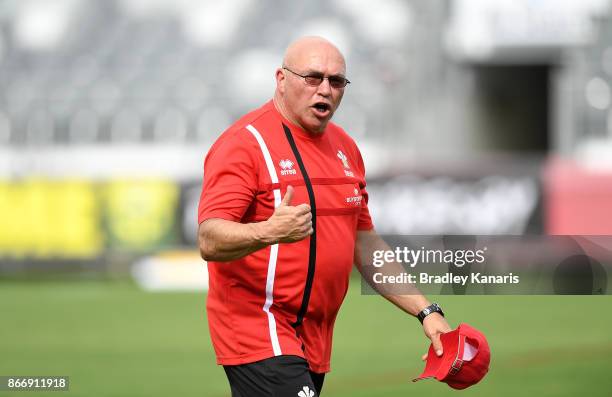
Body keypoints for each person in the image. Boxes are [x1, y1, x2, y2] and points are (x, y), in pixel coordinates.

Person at [197, 36, 451, 396]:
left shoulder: (346, 148)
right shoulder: (244, 144)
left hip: (314, 337)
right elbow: (209, 237)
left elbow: (364, 244)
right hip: (258, 326)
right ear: (281, 79)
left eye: (336, 81)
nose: (325, 90)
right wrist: (268, 231)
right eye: (312, 78)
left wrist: (426, 311)